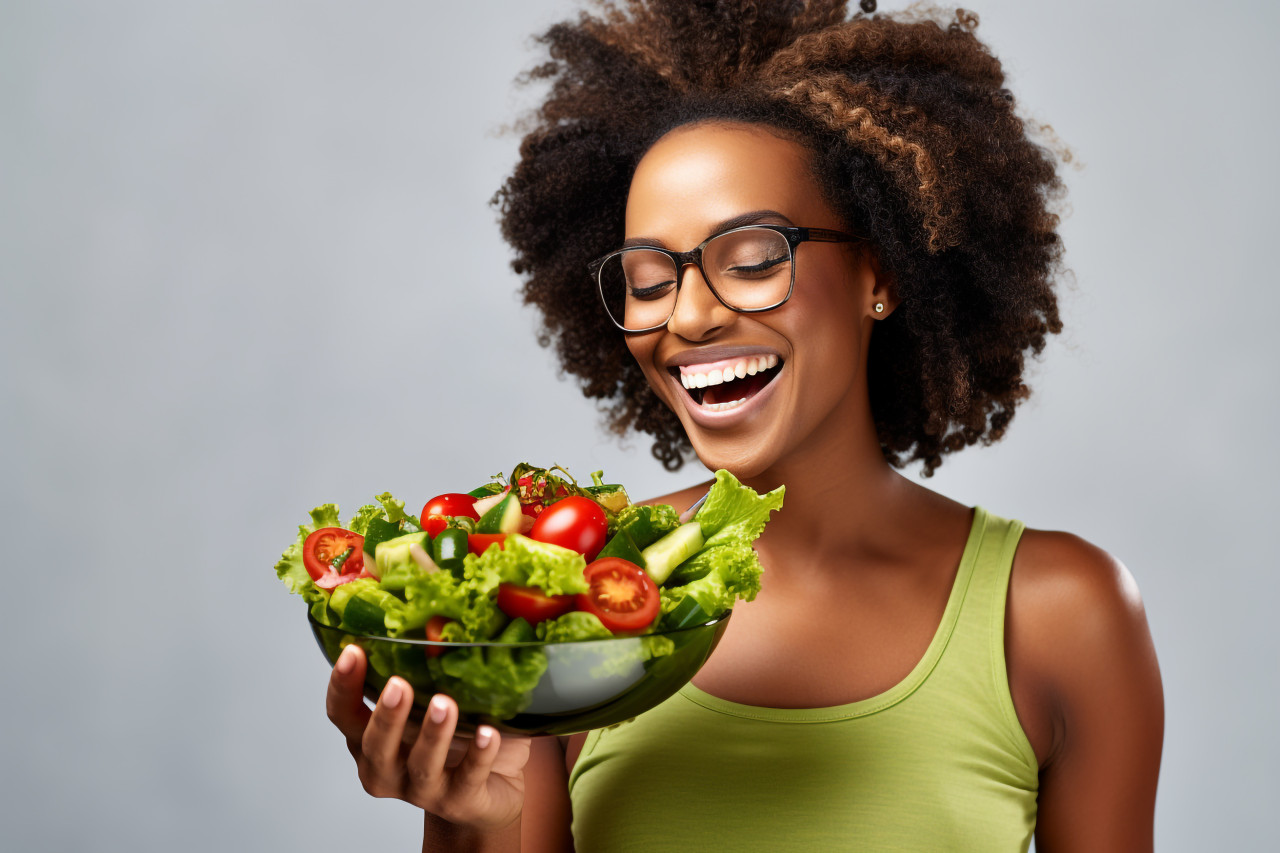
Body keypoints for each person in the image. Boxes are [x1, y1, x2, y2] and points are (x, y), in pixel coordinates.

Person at [325, 2, 1164, 850]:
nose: (687, 317)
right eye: (650, 280)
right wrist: (468, 819)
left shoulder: (1060, 614)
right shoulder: (574, 601)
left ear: (882, 271)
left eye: (755, 260)